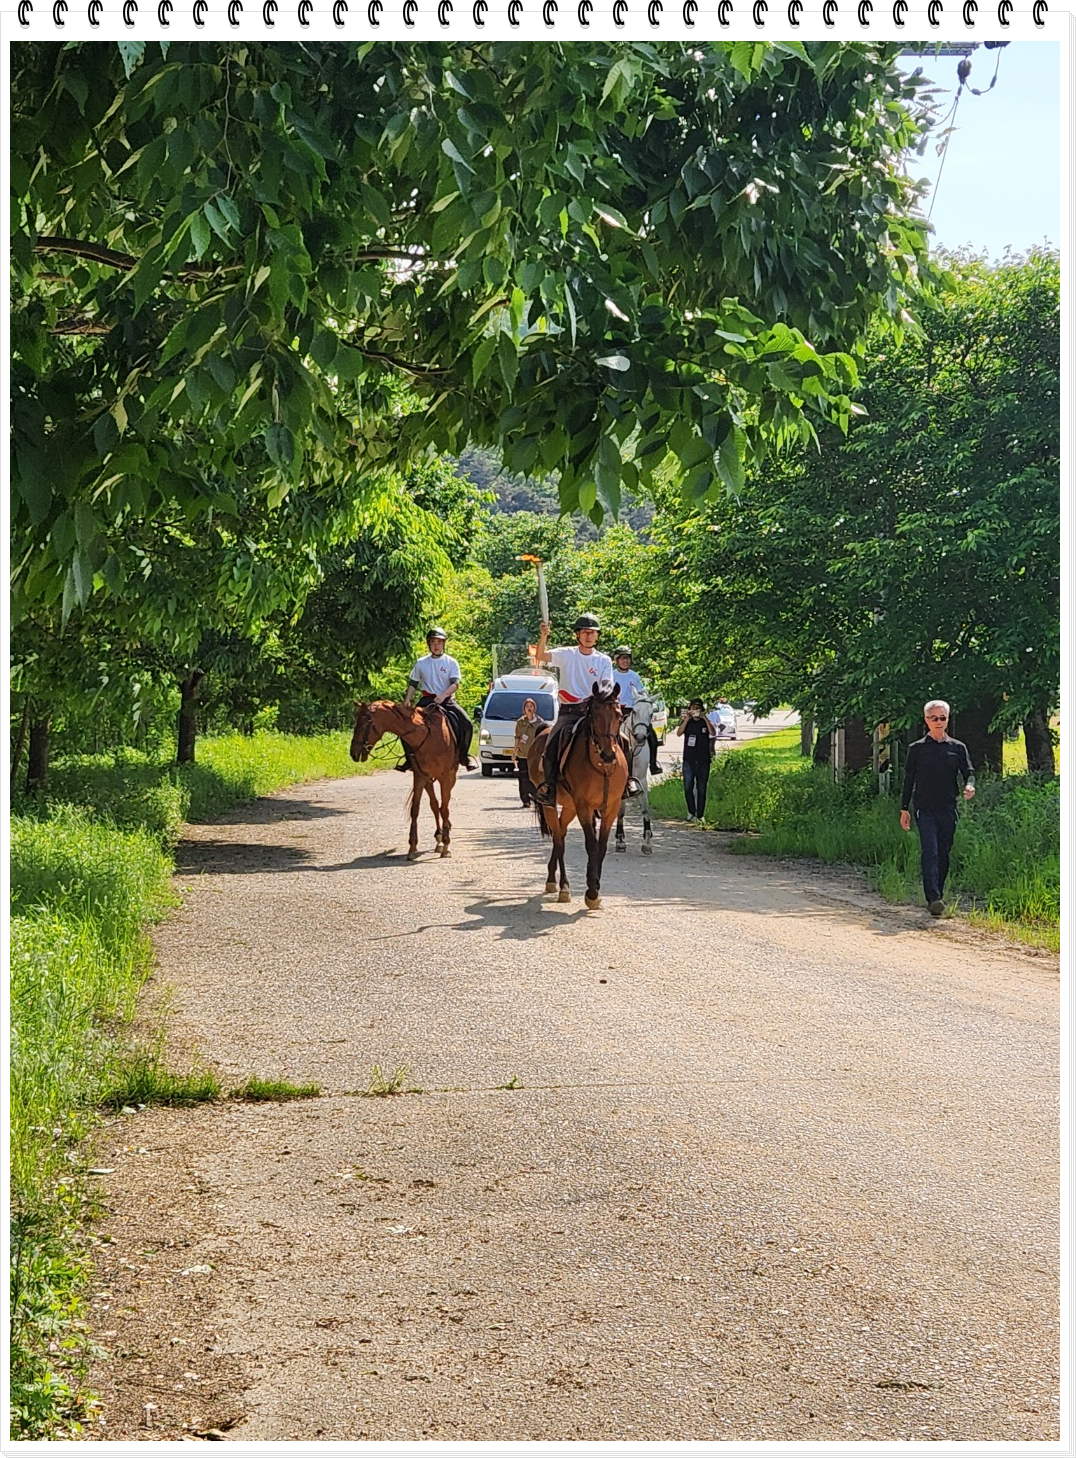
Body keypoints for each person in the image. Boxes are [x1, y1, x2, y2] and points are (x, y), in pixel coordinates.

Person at [532, 614, 640, 807]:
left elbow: (607, 684)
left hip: (594, 712)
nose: (588, 636)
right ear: (578, 635)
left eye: (592, 633)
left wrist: (603, 696)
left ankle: (627, 782)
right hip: (570, 712)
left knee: (623, 741)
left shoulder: (603, 660)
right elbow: (541, 656)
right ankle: (549, 787)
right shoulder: (567, 654)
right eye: (584, 632)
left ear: (597, 636)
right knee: (551, 742)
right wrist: (543, 636)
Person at [899, 699, 975, 916]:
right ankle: (932, 897)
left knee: (943, 853)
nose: (939, 721)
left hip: (948, 809)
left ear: (947, 719)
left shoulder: (958, 748)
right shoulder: (917, 749)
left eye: (943, 717)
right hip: (924, 809)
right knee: (930, 851)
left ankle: (938, 895)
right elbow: (909, 779)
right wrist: (904, 808)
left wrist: (970, 786)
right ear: (926, 720)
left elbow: (969, 772)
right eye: (934, 718)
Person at [401, 628, 478, 771]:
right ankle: (409, 759)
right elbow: (413, 683)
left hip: (446, 700)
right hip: (426, 700)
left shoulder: (451, 662)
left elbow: (455, 684)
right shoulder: (421, 663)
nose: (436, 645)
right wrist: (407, 701)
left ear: (444, 644)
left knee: (467, 724)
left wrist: (442, 696)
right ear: (429, 644)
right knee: (406, 725)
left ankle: (463, 756)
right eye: (433, 642)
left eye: (439, 642)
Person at [612, 646, 662, 777]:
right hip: (616, 711)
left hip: (632, 710)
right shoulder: (612, 675)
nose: (625, 661)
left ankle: (653, 764)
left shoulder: (635, 676)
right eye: (623, 658)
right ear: (617, 660)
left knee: (651, 735)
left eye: (627, 658)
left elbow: (641, 692)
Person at [676, 699, 716, 823]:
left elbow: (713, 733)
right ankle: (691, 812)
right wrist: (687, 719)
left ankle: (700, 814)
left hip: (703, 759)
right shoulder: (688, 722)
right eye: (693, 708)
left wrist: (705, 719)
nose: (695, 711)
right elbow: (679, 733)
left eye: (697, 708)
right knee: (688, 786)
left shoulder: (705, 722)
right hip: (689, 759)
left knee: (702, 788)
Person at [512, 697, 547, 807]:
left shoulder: (540, 722)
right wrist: (514, 751)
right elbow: (517, 737)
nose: (529, 708)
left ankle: (536, 797)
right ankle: (525, 800)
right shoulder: (520, 722)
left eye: (531, 706)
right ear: (524, 709)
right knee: (523, 778)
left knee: (534, 777)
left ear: (534, 708)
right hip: (523, 754)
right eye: (527, 706)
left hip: (535, 756)